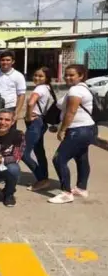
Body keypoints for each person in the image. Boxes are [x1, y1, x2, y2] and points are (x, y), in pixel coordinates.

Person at [49, 64, 97, 204]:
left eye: (72, 75)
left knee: (59, 159)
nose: (67, 77)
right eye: (66, 74)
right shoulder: (83, 88)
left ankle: (66, 193)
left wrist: (62, 130)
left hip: (78, 130)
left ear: (81, 76)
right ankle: (81, 188)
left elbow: (71, 112)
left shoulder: (76, 90)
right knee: (81, 158)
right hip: (87, 128)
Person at [22, 67, 53, 191]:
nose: (37, 78)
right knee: (39, 151)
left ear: (47, 78)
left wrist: (29, 117)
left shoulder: (40, 88)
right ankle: (44, 177)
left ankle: (42, 179)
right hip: (41, 121)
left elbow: (31, 103)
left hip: (35, 123)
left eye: (41, 76)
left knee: (23, 153)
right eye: (35, 75)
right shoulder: (47, 88)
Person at [0, 49, 26, 127]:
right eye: (3, 60)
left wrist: (16, 113)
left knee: (10, 133)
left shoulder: (18, 76)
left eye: (8, 60)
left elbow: (21, 95)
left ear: (12, 61)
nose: (5, 62)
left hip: (10, 108)